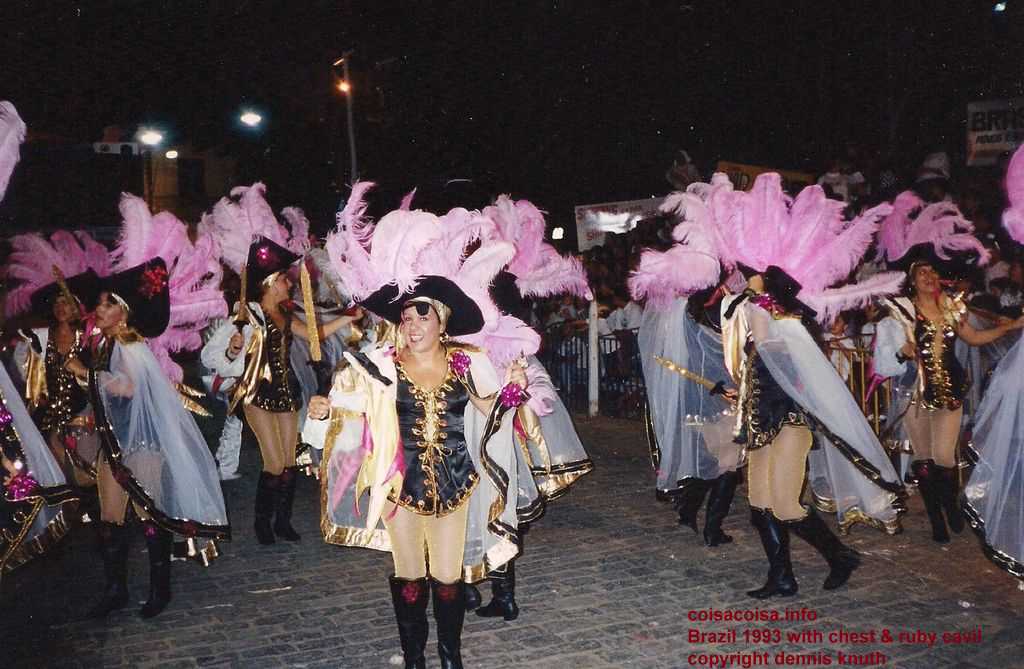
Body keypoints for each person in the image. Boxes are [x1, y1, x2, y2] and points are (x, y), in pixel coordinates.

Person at [306, 276, 528, 669]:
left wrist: (512, 390)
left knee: (447, 578)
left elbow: (488, 409)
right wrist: (323, 411)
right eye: (406, 318)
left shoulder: (465, 361)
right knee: (408, 575)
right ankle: (413, 658)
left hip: (456, 484)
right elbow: (346, 410)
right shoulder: (380, 365)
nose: (412, 326)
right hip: (400, 488)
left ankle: (449, 657)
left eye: (422, 318)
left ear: (442, 323)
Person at [66, 258, 230, 619]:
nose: (100, 308)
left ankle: (160, 591)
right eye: (101, 302)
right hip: (113, 446)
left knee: (149, 518)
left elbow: (127, 388)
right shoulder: (106, 345)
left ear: (122, 314)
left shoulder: (129, 345)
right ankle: (116, 590)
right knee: (109, 521)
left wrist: (84, 374)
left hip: (142, 447)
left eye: (108, 303)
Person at [205, 237, 361, 545]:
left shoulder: (286, 314)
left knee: (290, 461)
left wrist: (348, 317)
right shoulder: (246, 315)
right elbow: (212, 356)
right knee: (274, 462)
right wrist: (234, 351)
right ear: (270, 283)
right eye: (283, 281)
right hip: (256, 395)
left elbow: (315, 335)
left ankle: (283, 522)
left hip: (286, 392)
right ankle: (262, 523)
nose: (288, 285)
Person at [898, 259, 1024, 543]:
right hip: (917, 393)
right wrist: (904, 350)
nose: (929, 276)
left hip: (951, 391)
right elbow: (890, 352)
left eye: (931, 271)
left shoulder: (951, 308)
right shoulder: (905, 312)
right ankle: (936, 521)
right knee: (924, 460)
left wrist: (1010, 326)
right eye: (922, 273)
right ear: (913, 282)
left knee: (944, 459)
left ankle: (951, 506)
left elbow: (976, 338)